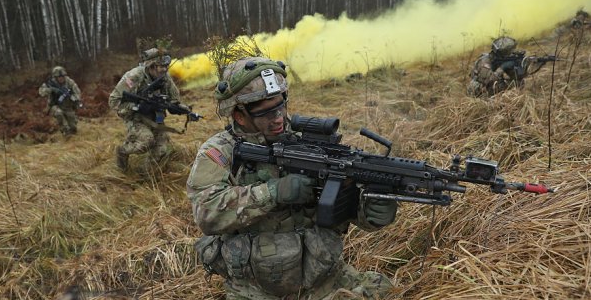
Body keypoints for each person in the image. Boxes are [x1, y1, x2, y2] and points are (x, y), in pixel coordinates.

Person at [187, 56, 398, 299]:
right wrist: (273, 192)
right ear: (239, 114)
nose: (278, 118)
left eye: (280, 106)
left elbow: (341, 203)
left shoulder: (308, 140)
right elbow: (206, 212)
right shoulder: (219, 151)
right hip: (253, 290)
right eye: (265, 112)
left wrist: (371, 210)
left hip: (323, 279)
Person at [108, 48, 190, 172]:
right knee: (146, 141)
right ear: (151, 66)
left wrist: (182, 109)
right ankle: (122, 151)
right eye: (160, 66)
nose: (164, 69)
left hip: (156, 117)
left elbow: (174, 100)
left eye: (166, 66)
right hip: (135, 118)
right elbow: (113, 101)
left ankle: (146, 176)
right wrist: (137, 107)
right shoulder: (134, 77)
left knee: (163, 150)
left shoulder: (165, 78)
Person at [467, 36, 549, 97]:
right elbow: (489, 80)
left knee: (519, 83)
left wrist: (525, 65)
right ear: (503, 52)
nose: (512, 52)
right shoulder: (484, 61)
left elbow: (517, 77)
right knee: (510, 84)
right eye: (509, 51)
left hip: (490, 87)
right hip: (478, 91)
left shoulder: (501, 58)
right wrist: (503, 67)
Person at [38, 66, 82, 135]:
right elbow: (41, 92)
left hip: (67, 106)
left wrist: (73, 98)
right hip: (55, 106)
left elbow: (77, 93)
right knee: (59, 113)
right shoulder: (51, 83)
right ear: (55, 77)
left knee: (73, 128)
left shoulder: (69, 82)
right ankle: (64, 130)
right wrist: (51, 90)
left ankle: (70, 131)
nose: (61, 78)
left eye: (63, 76)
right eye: (59, 77)